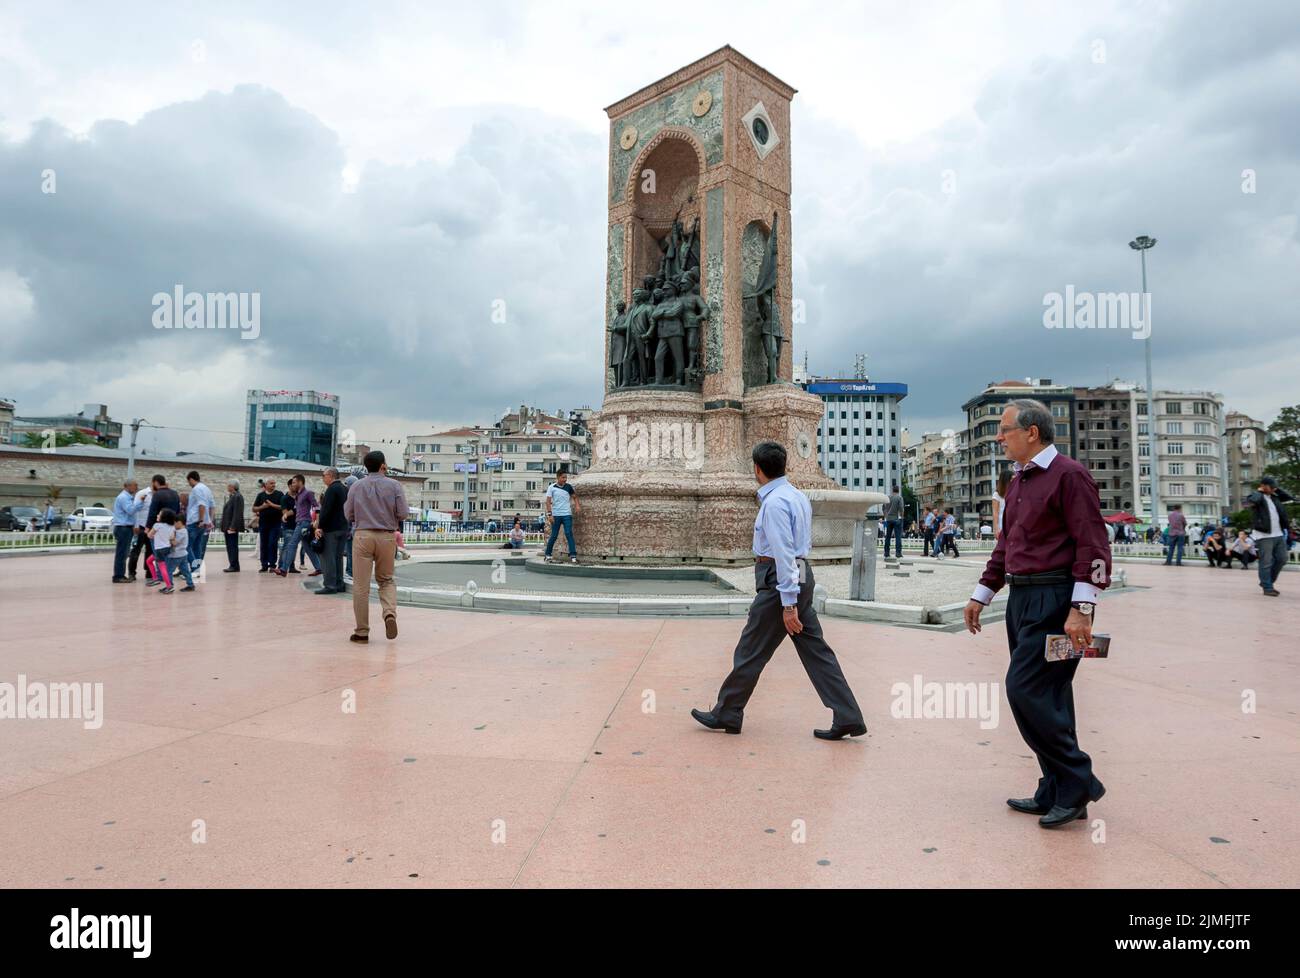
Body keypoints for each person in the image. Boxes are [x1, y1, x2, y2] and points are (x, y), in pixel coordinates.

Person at [963, 399, 1110, 829]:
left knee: (1024, 689)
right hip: (1022, 601)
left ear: (1032, 432)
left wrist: (1083, 609)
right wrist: (982, 594)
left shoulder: (1070, 475)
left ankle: (1078, 779)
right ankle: (1057, 789)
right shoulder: (1018, 481)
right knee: (1051, 697)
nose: (998, 436)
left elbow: (1094, 545)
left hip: (1056, 599)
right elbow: (1007, 546)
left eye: (1005, 428)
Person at [692, 441, 867, 740]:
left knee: (751, 649)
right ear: (784, 465)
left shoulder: (773, 504)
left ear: (757, 469)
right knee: (817, 651)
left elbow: (783, 553)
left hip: (779, 583)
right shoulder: (797, 496)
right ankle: (848, 715)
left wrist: (788, 605)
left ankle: (728, 712)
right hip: (800, 577)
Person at [342, 450, 408, 643]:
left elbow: (348, 514)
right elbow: (403, 513)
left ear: (366, 467)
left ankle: (362, 632)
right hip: (387, 537)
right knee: (386, 580)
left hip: (363, 536)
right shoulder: (395, 485)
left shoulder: (356, 486)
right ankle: (389, 614)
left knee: (361, 586)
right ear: (383, 465)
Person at [1246, 476, 1293, 597]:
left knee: (1282, 559)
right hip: (1263, 535)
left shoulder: (1275, 497)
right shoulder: (1256, 496)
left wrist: (1275, 490)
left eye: (1274, 487)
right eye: (1271, 486)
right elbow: (1252, 501)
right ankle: (1267, 587)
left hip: (1278, 533)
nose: (1274, 489)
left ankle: (1266, 582)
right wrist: (1260, 491)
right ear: (1263, 486)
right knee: (1266, 562)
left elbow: (1288, 498)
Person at [278, 475, 322, 577]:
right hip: (300, 522)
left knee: (292, 544)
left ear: (300, 482)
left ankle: (283, 569)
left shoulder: (308, 493)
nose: (292, 485)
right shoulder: (298, 495)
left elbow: (316, 506)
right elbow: (296, 510)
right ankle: (319, 568)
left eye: (294, 482)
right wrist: (285, 515)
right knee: (307, 547)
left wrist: (316, 521)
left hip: (304, 523)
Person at [314, 467, 349, 595]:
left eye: (323, 476)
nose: (323, 478)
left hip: (331, 529)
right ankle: (339, 584)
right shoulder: (345, 489)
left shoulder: (331, 489)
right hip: (343, 527)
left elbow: (326, 510)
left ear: (330, 475)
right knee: (338, 557)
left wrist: (319, 526)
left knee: (328, 557)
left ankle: (329, 585)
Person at [543, 469, 579, 563]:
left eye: (566, 477)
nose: (565, 479)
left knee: (569, 534)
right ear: (558, 477)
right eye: (563, 477)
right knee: (554, 535)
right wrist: (549, 515)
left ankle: (573, 556)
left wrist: (577, 505)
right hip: (556, 515)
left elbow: (574, 496)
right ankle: (548, 554)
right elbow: (547, 502)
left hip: (567, 514)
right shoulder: (552, 487)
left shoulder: (568, 487)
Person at [110, 479, 142, 582]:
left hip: (125, 528)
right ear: (127, 486)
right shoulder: (124, 497)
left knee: (124, 552)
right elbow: (130, 510)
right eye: (135, 485)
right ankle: (118, 576)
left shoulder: (127, 497)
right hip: (123, 528)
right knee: (122, 553)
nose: (136, 488)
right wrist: (140, 502)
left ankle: (120, 575)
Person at [252, 478, 286, 573]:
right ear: (266, 485)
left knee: (272, 543)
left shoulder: (279, 494)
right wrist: (263, 507)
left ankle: (272, 565)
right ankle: (264, 565)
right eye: (271, 483)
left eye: (274, 483)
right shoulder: (261, 495)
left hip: (275, 524)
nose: (273, 485)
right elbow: (254, 509)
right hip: (263, 524)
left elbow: (283, 507)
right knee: (264, 544)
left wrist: (271, 505)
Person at [185, 471, 216, 570]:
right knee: (197, 547)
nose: (189, 484)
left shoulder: (196, 489)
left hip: (195, 521)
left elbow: (201, 504)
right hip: (204, 523)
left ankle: (195, 569)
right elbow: (212, 506)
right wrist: (209, 520)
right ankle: (197, 569)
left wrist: (201, 520)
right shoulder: (206, 489)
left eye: (188, 481)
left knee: (186, 547)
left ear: (191, 479)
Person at [161, 512, 196, 592]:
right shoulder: (183, 530)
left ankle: (169, 586)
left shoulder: (181, 532)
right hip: (183, 555)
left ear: (179, 522)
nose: (173, 525)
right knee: (185, 571)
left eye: (174, 523)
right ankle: (190, 585)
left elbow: (174, 543)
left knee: (169, 571)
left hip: (175, 555)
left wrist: (168, 538)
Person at [145, 508, 177, 591]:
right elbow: (172, 538)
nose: (157, 515)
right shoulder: (172, 527)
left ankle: (169, 586)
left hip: (159, 550)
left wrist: (151, 534)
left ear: (164, 517)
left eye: (159, 514)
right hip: (167, 548)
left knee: (162, 567)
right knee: (149, 561)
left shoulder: (157, 525)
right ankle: (155, 579)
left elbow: (149, 535)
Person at [127, 481, 154, 581]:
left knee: (150, 552)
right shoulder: (142, 493)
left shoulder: (157, 495)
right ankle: (132, 573)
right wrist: (136, 525)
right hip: (141, 527)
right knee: (135, 551)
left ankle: (149, 573)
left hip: (151, 528)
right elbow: (135, 510)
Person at [220, 481, 245, 572]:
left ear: (233, 486)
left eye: (229, 485)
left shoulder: (237, 497)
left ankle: (234, 565)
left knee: (232, 546)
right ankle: (233, 564)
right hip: (228, 526)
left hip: (231, 527)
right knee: (230, 546)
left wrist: (233, 526)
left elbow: (237, 512)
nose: (227, 487)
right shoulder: (233, 496)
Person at [882, 484, 904, 558]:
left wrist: (885, 515)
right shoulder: (899, 498)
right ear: (898, 490)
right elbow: (901, 508)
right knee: (898, 536)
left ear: (892, 490)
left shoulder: (888, 497)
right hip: (896, 519)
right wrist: (902, 516)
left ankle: (886, 552)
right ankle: (898, 553)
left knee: (888, 537)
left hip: (888, 519)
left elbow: (883, 507)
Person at [992, 468, 1012, 541]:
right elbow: (995, 513)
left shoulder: (1014, 492)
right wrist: (996, 529)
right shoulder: (997, 495)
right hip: (1002, 524)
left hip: (1013, 523)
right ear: (1005, 481)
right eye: (1011, 479)